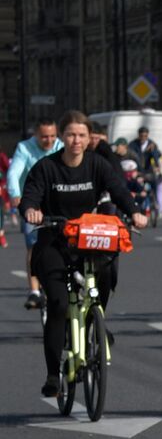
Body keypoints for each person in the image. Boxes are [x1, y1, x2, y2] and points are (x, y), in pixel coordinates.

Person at [20, 111, 148, 397]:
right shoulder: (46, 167)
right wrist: (31, 209)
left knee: (107, 272)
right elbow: (31, 195)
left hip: (88, 238)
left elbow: (119, 191)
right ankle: (54, 374)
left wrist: (135, 212)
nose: (76, 140)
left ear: (89, 138)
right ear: (62, 138)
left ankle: (95, 321)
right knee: (58, 303)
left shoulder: (97, 165)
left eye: (81, 135)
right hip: (54, 240)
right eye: (70, 135)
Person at [9, 118, 63, 309]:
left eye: (52, 136)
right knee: (34, 245)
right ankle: (34, 290)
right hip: (33, 204)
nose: (49, 141)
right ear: (36, 136)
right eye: (44, 137)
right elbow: (14, 173)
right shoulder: (25, 148)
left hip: (59, 201)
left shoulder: (61, 146)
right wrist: (16, 195)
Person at [131, 125, 162, 219]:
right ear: (139, 135)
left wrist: (157, 166)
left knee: (154, 182)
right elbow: (131, 155)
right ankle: (139, 204)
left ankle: (154, 202)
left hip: (149, 170)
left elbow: (156, 157)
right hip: (138, 170)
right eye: (141, 136)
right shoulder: (133, 144)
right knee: (138, 185)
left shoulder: (152, 144)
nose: (143, 138)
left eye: (145, 136)